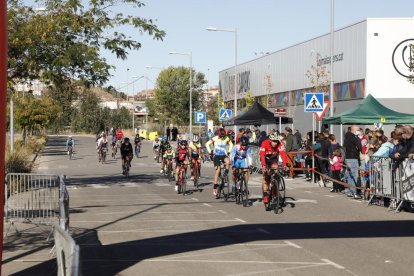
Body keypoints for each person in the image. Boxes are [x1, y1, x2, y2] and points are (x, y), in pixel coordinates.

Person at [205, 128, 234, 196]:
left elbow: (231, 144)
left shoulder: (226, 138)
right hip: (216, 156)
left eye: (223, 136)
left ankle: (225, 174)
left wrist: (229, 151)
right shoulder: (215, 138)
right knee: (217, 171)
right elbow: (207, 144)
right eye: (221, 136)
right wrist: (210, 152)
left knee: (228, 161)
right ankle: (215, 187)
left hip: (223, 155)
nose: (222, 137)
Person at [259, 132, 282, 204]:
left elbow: (283, 153)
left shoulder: (279, 144)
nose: (275, 143)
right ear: (270, 140)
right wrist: (263, 165)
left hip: (273, 159)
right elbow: (262, 154)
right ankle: (265, 195)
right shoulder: (264, 143)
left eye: (277, 141)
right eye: (274, 141)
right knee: (266, 176)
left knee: (276, 173)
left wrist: (285, 164)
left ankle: (275, 192)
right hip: (265, 159)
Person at [343, 125, 362, 199]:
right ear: (354, 130)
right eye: (358, 130)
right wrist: (359, 139)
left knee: (350, 175)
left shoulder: (347, 137)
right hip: (353, 158)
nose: (359, 131)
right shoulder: (355, 138)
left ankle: (350, 191)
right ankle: (354, 192)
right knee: (354, 176)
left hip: (348, 158)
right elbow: (360, 147)